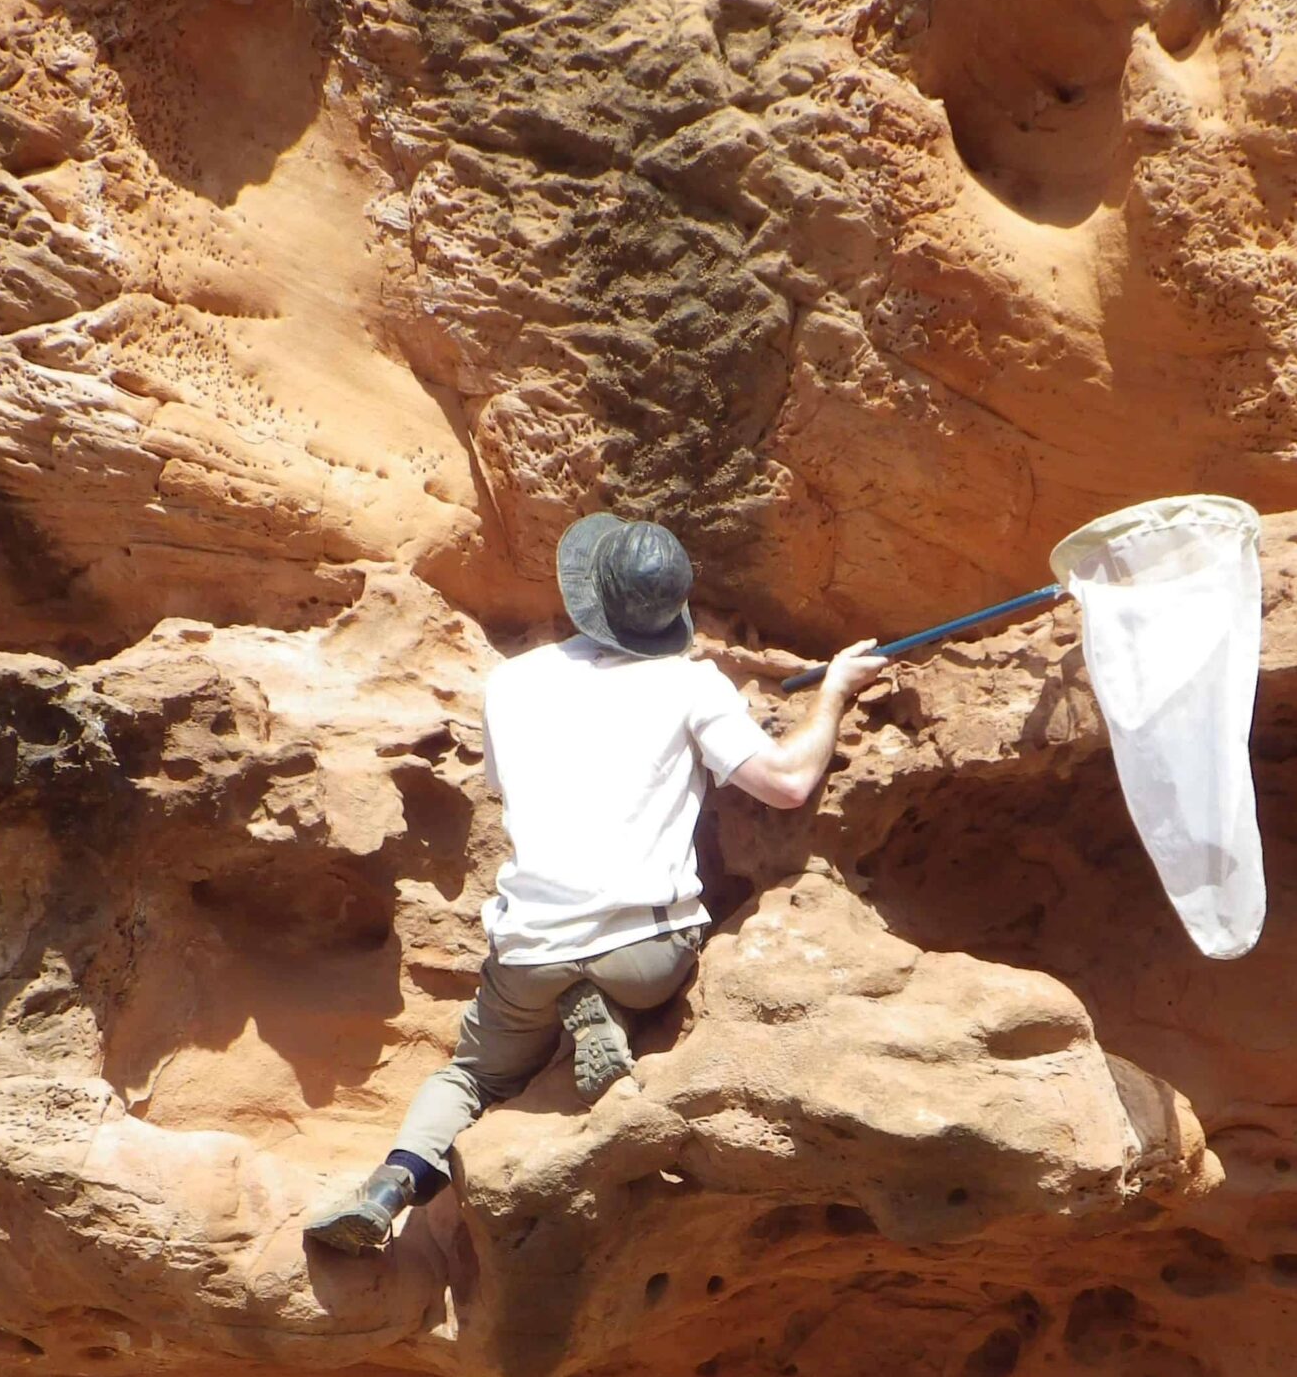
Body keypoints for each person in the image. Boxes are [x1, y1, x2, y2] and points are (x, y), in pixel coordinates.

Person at [304, 512, 884, 1255]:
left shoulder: (511, 683)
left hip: (531, 952)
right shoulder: (692, 684)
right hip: (647, 951)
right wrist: (831, 691)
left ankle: (390, 1185)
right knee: (655, 979)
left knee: (473, 1077)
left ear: (590, 598)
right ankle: (604, 1007)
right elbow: (788, 783)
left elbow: (508, 789)